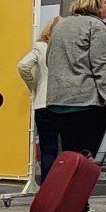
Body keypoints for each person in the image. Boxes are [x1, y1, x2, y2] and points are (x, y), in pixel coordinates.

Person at [44, 0, 106, 212]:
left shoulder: (61, 26)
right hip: (87, 102)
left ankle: (61, 208)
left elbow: (49, 61)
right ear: (97, 3)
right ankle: (80, 211)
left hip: (59, 102)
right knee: (85, 162)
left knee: (69, 158)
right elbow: (101, 67)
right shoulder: (96, 27)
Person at [16, 18, 61, 181]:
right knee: (70, 149)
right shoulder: (67, 49)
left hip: (43, 104)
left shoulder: (41, 47)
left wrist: (34, 84)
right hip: (65, 104)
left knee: (48, 149)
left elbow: (23, 65)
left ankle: (47, 190)